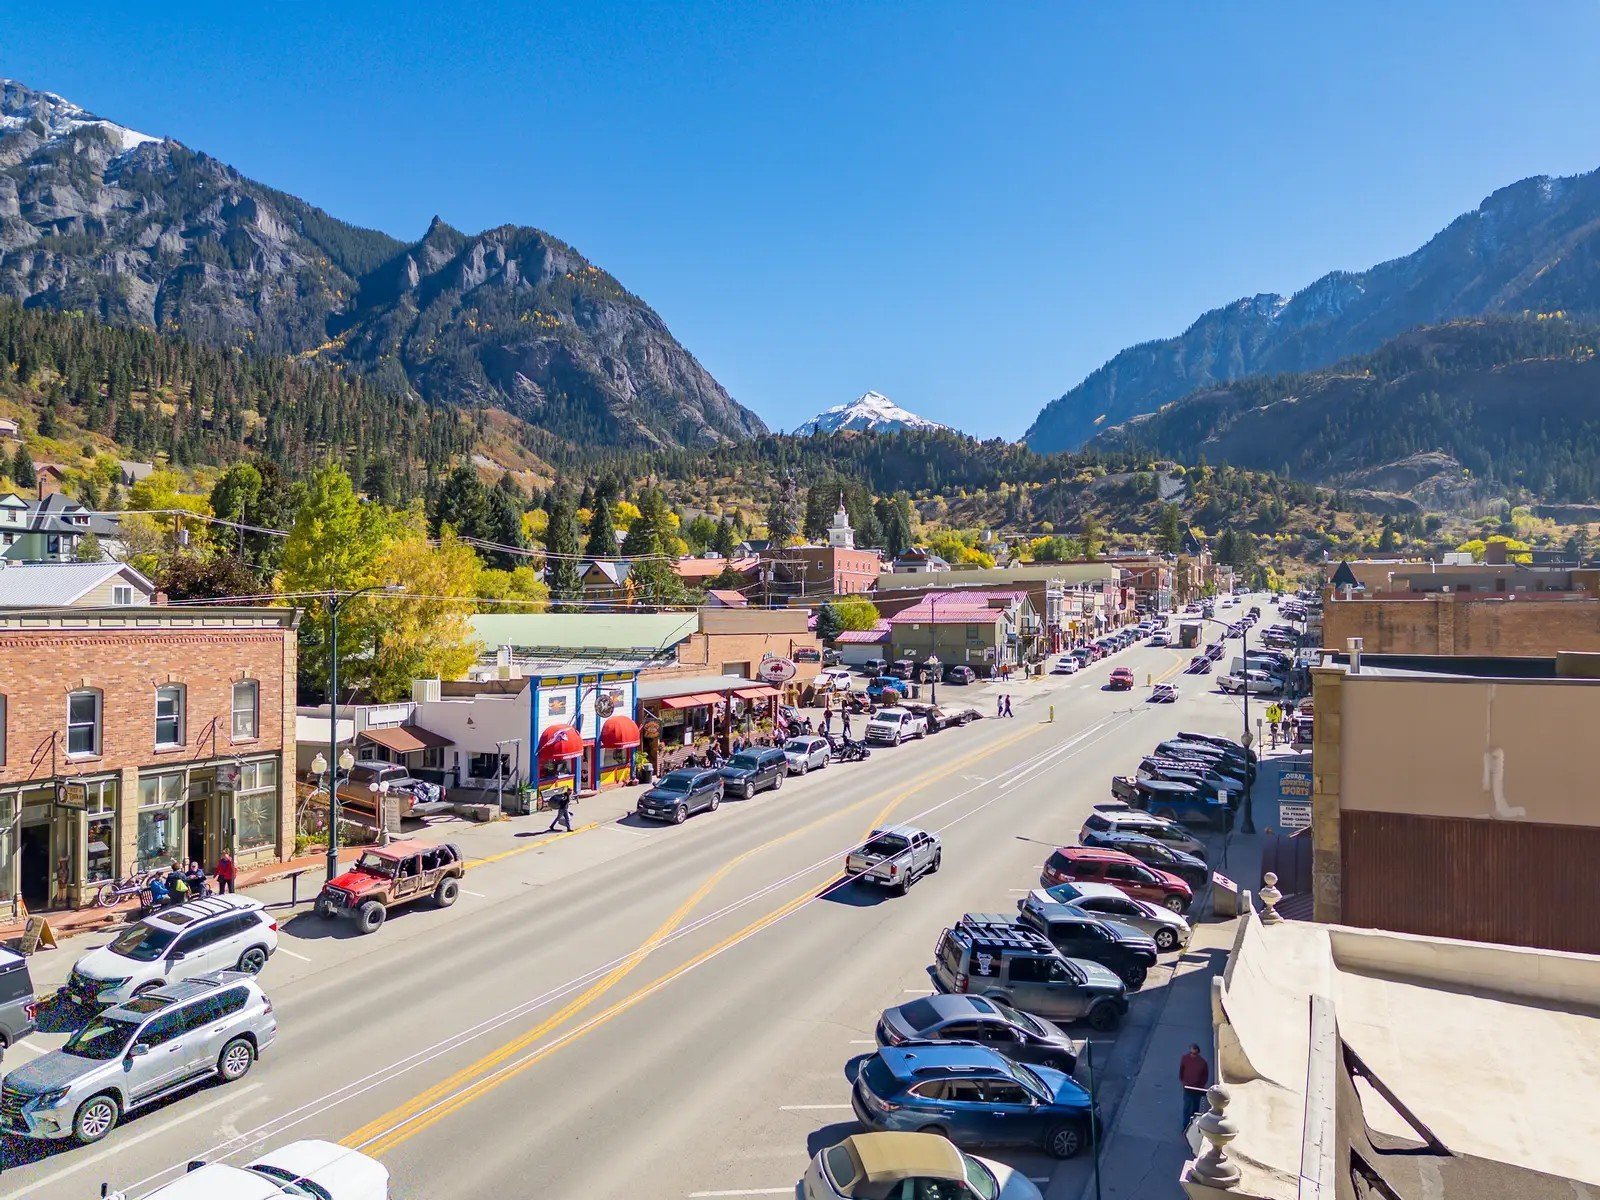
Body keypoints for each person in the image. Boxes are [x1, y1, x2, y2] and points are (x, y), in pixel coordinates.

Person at [1179, 1044, 1210, 1130]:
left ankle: (1191, 1125)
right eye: (1191, 1053)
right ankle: (1186, 1125)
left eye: (1194, 1053)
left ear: (1197, 1052)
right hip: (1188, 1087)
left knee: (1194, 1107)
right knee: (1187, 1106)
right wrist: (1183, 1082)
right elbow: (1181, 1071)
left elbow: (1205, 1076)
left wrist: (1200, 1085)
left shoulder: (1202, 1062)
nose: (1192, 1055)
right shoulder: (1185, 1058)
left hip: (1196, 1088)